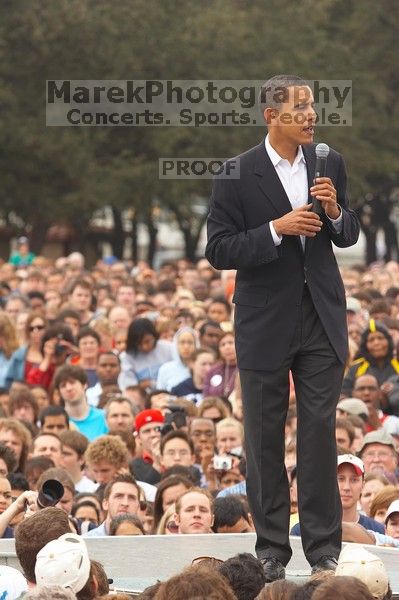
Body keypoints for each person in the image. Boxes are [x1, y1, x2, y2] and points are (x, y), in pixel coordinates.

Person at [206, 74, 360, 580]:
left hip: (321, 317)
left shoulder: (328, 161)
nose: (312, 116)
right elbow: (219, 249)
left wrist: (336, 212)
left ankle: (323, 550)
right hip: (264, 321)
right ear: (271, 116)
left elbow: (347, 232)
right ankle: (272, 547)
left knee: (319, 433)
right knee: (264, 437)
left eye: (313, 106)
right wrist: (277, 229)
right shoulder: (235, 173)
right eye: (300, 108)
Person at [53, 365, 108, 441]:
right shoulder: (57, 422)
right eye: (63, 386)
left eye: (72, 383)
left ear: (84, 385)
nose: (68, 388)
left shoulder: (104, 417)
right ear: (59, 392)